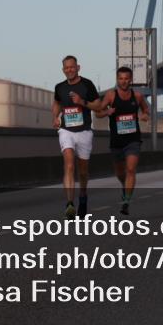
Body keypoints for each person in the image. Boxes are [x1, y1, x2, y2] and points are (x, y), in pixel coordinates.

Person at [96, 66, 149, 216]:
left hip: (133, 140)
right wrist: (107, 111)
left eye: (126, 79)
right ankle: (124, 187)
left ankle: (126, 201)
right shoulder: (111, 96)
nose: (124, 81)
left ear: (130, 79)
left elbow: (146, 110)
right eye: (121, 79)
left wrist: (145, 115)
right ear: (117, 79)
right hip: (116, 141)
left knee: (131, 169)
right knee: (120, 173)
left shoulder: (137, 96)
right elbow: (98, 112)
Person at [53, 55, 101, 219]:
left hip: (84, 132)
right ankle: (69, 204)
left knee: (83, 172)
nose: (69, 70)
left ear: (78, 67)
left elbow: (98, 105)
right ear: (63, 70)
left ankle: (83, 196)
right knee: (68, 164)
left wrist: (82, 102)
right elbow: (57, 103)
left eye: (72, 67)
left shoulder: (87, 85)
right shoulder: (59, 87)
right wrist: (55, 117)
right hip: (66, 130)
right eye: (66, 68)